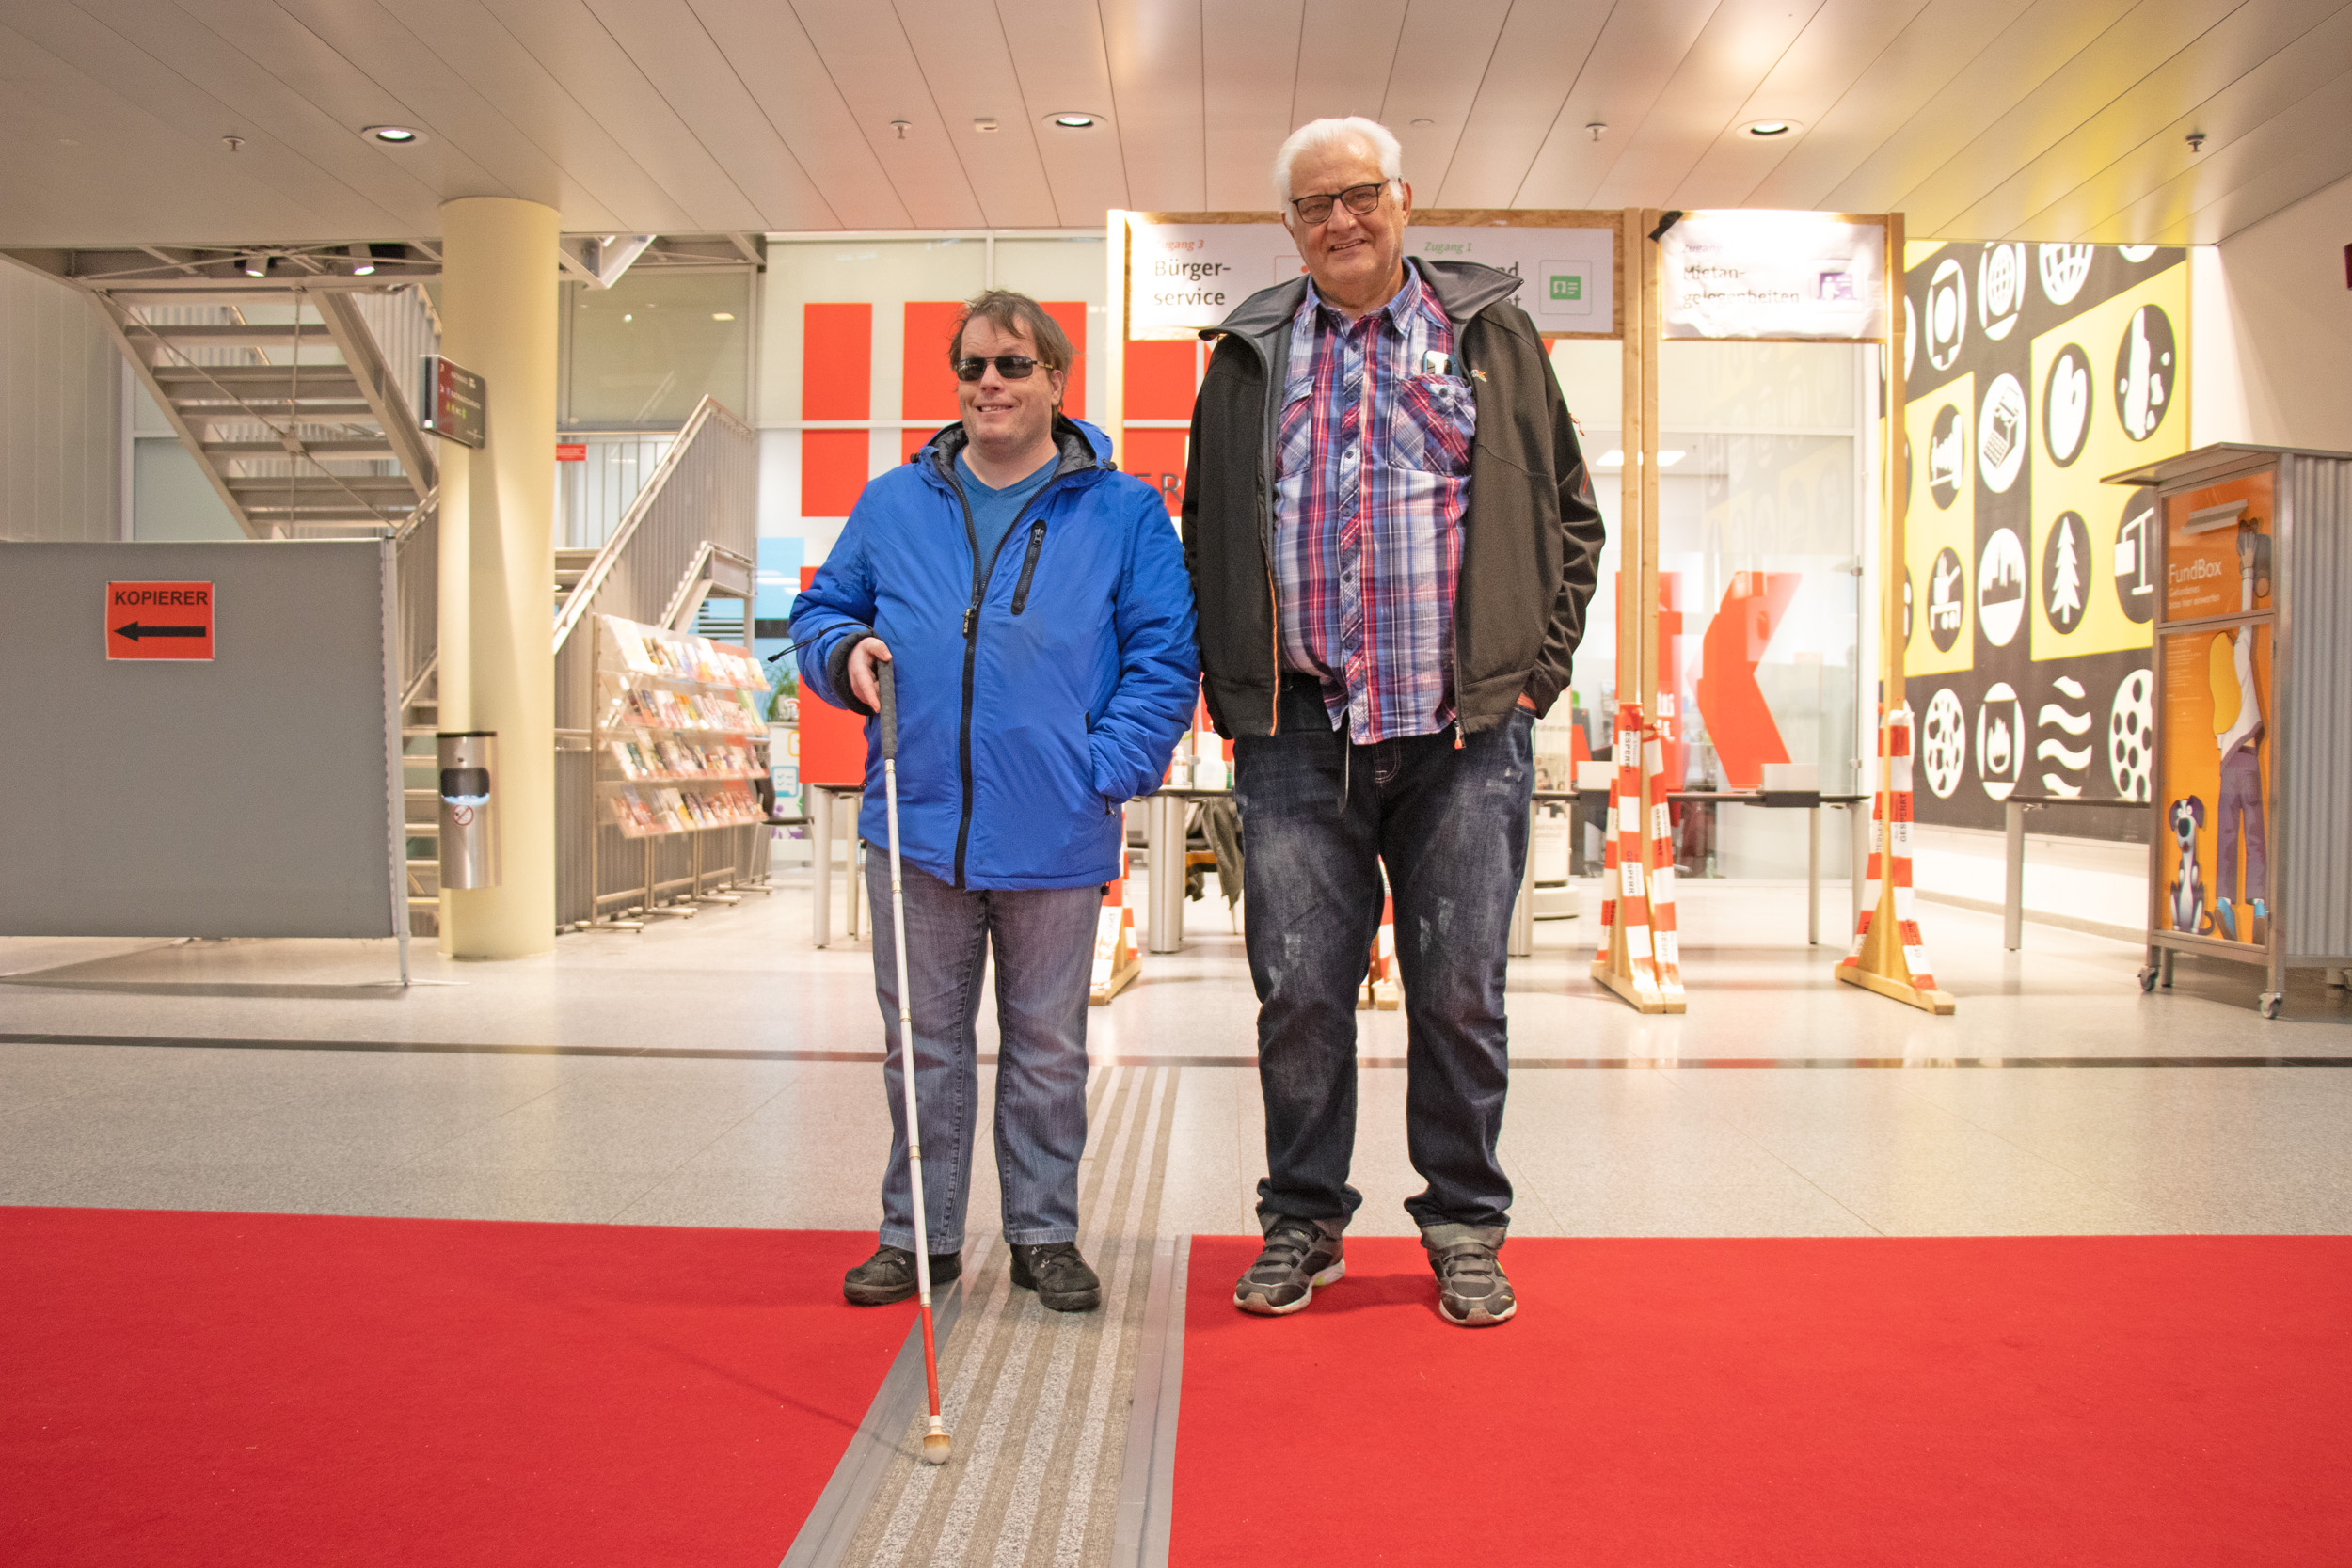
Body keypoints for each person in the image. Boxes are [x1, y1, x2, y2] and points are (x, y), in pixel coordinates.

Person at [1180, 117, 1605, 1326]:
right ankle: (1303, 1220)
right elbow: (1208, 529)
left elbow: (1571, 520)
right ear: (1289, 227)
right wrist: (1236, 694)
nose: (1340, 221)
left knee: (1459, 985)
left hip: (1463, 733)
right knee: (1298, 990)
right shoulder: (1249, 355)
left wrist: (1532, 678)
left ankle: (1465, 1222)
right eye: (1315, 206)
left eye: (1359, 195)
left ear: (1403, 200)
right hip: (1299, 732)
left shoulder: (1492, 337)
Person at [793, 291, 1197, 1312]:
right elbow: (821, 610)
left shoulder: (1121, 509)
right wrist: (845, 656)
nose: (990, 384)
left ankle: (1044, 1230)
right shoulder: (894, 503)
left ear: (1056, 381)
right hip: (917, 822)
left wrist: (1102, 769)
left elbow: (1164, 656)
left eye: (1013, 366)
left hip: (1056, 826)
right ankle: (918, 1236)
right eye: (973, 367)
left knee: (1049, 1048)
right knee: (921, 1048)